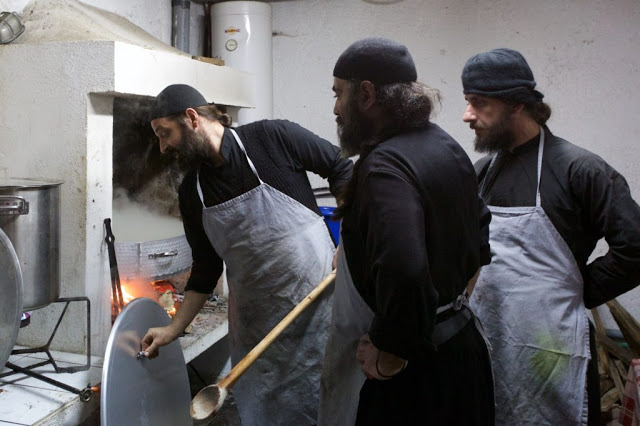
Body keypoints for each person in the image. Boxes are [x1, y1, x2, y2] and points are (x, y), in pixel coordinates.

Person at [140, 84, 353, 425]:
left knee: (330, 405)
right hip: (257, 325)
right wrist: (174, 328)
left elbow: (343, 169)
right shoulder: (192, 191)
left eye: (165, 134)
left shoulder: (273, 137)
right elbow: (206, 268)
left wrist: (352, 235)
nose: (164, 147)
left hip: (320, 309)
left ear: (192, 118)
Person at [318, 37, 495, 426]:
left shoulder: (384, 165)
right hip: (460, 349)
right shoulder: (443, 144)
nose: (335, 108)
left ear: (366, 95)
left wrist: (390, 349)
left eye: (338, 94)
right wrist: (447, 304)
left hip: (416, 374)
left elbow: (404, 267)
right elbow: (480, 234)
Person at [462, 48, 640, 425]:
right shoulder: (482, 173)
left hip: (552, 344)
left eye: (479, 104)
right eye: (467, 102)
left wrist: (578, 290)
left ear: (516, 104)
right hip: (489, 337)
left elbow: (636, 247)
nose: (468, 116)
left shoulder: (580, 169)